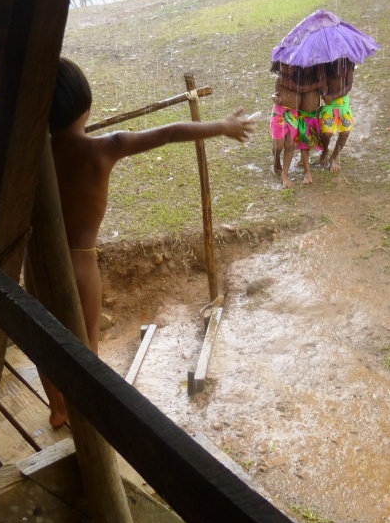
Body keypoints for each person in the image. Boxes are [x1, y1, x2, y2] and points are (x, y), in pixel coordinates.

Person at [43, 57, 255, 427]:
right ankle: (85, 414)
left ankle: (58, 408)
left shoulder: (35, 155)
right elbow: (169, 133)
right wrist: (222, 126)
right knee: (86, 346)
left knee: (43, 339)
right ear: (85, 106)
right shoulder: (103, 148)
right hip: (79, 264)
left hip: (38, 262)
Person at [270, 62, 323, 188]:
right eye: (285, 66)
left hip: (293, 114)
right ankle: (276, 159)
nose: (289, 68)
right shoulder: (280, 79)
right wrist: (273, 96)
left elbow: (304, 92)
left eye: (292, 66)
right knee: (278, 145)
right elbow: (279, 92)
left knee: (290, 145)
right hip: (280, 113)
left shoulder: (299, 79)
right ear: (279, 66)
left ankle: (284, 174)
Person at [318, 58, 356, 173]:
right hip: (329, 104)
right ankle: (325, 151)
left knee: (345, 132)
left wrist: (333, 96)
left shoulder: (348, 63)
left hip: (342, 103)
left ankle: (333, 158)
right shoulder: (324, 63)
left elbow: (348, 86)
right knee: (326, 133)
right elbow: (320, 84)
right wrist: (323, 91)